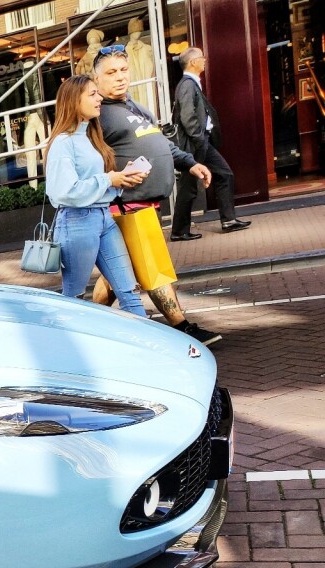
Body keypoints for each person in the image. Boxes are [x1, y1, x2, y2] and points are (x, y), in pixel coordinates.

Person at [88, 46, 223, 345]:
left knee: (116, 273)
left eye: (123, 70)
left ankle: (85, 324)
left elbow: (165, 146)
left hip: (145, 203)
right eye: (111, 73)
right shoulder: (96, 115)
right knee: (153, 267)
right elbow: (83, 157)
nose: (120, 77)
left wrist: (191, 163)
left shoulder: (136, 107)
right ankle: (182, 327)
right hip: (126, 205)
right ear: (95, 79)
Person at [44, 75, 148, 316]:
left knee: (129, 292)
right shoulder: (63, 142)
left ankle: (146, 350)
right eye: (92, 94)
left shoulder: (90, 137)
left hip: (104, 219)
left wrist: (121, 179)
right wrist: (109, 179)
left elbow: (97, 185)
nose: (99, 98)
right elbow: (65, 192)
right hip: (76, 222)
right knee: (74, 298)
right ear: (73, 100)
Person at [172, 47, 249, 238]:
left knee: (224, 173)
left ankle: (229, 220)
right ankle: (179, 231)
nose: (205, 60)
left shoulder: (191, 84)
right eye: (201, 57)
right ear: (192, 62)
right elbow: (187, 116)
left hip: (200, 142)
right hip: (195, 144)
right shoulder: (187, 85)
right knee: (188, 187)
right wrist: (199, 139)